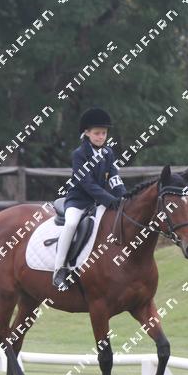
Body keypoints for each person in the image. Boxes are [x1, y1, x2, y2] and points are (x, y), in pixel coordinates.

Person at [52, 107, 127, 290]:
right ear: (87, 133)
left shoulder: (108, 153)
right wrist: (109, 199)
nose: (101, 137)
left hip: (98, 202)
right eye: (97, 133)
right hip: (78, 201)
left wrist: (124, 196)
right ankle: (59, 270)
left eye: (104, 133)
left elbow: (114, 177)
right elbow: (87, 184)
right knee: (71, 224)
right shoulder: (79, 154)